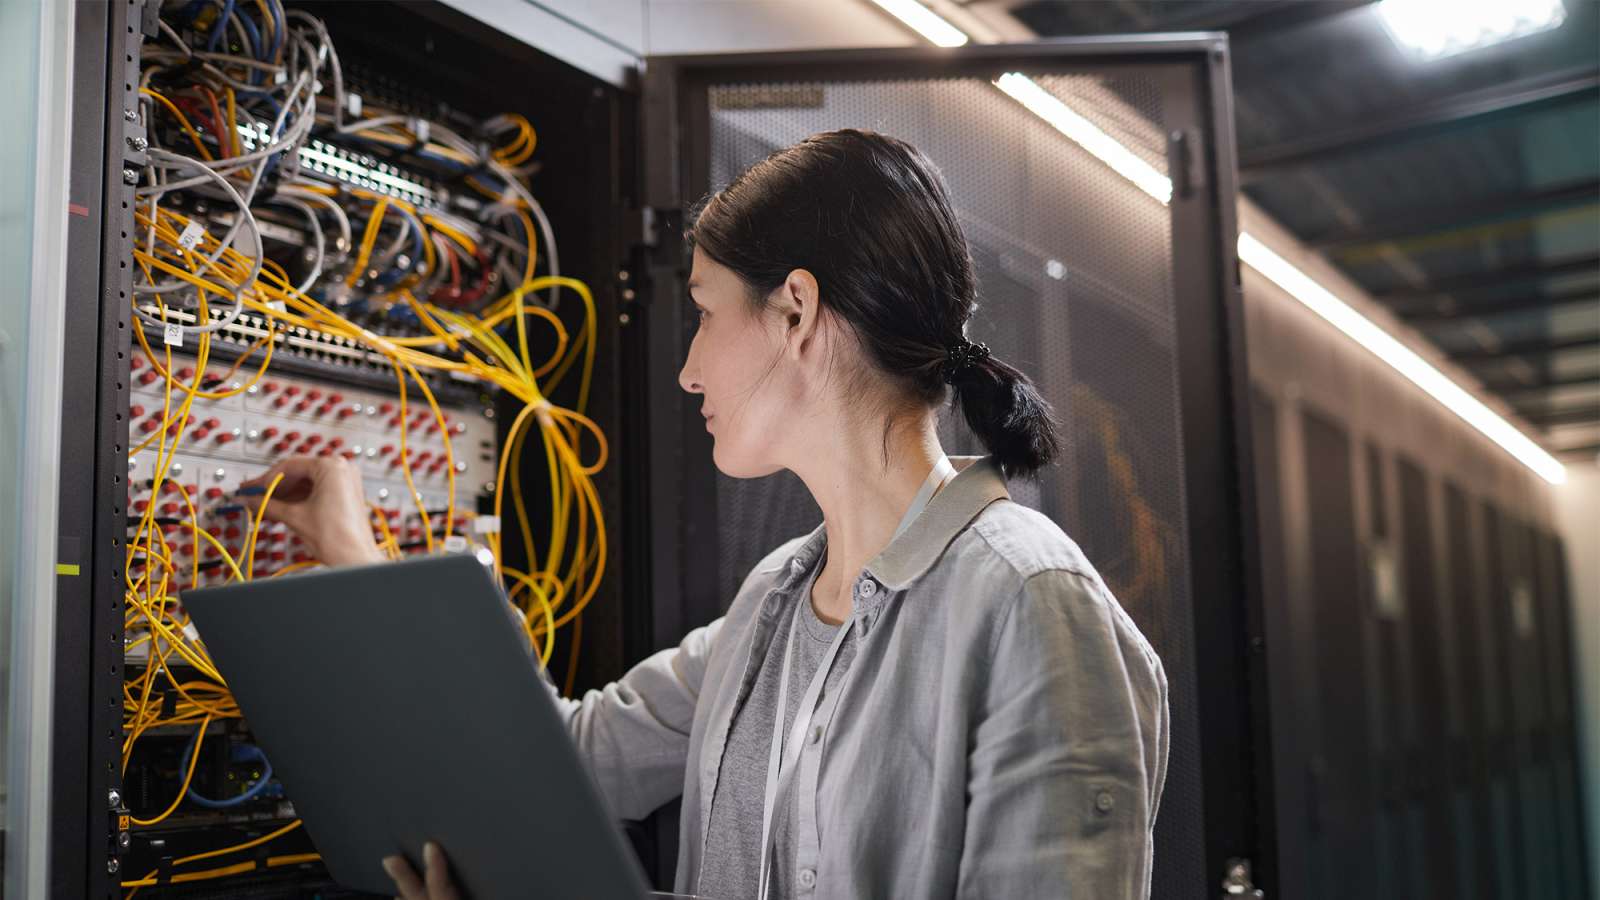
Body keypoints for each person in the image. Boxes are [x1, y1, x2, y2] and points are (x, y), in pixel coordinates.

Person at [241, 129, 1169, 900]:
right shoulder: (776, 601)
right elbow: (571, 760)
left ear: (796, 311)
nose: (688, 369)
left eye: (704, 312)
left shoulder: (1031, 605)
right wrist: (365, 566)